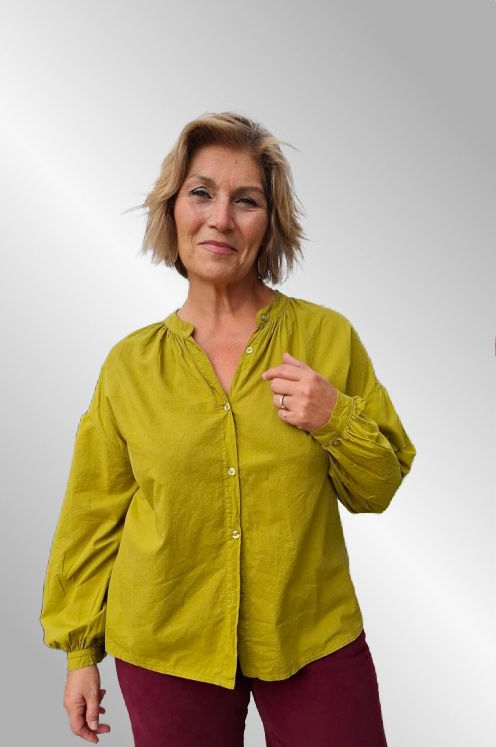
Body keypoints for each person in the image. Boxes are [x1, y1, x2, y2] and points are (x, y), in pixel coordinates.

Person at [39, 111, 416, 746]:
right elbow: (93, 512)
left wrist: (334, 417)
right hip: (165, 641)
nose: (221, 218)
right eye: (201, 193)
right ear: (172, 210)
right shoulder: (130, 366)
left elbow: (377, 489)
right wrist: (80, 652)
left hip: (309, 633)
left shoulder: (327, 338)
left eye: (246, 200)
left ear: (270, 223)